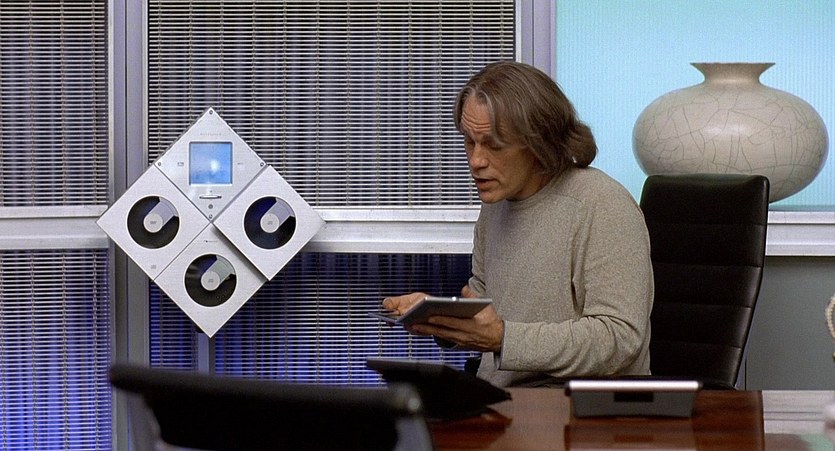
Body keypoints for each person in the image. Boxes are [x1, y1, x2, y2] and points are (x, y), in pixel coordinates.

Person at [382, 61, 654, 388]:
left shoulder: (601, 205)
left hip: (572, 406)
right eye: (469, 141)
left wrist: (503, 338)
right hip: (503, 396)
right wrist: (438, 319)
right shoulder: (495, 208)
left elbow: (620, 339)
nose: (475, 161)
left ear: (539, 143)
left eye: (493, 145)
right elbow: (486, 315)